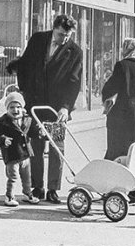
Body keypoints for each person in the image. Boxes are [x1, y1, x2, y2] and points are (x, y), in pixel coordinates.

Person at [7, 14, 83, 204]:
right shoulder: (38, 40)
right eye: (60, 34)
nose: (63, 39)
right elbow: (24, 66)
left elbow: (74, 83)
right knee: (35, 147)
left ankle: (53, 189)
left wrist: (66, 108)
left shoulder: (75, 51)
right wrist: (24, 92)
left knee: (57, 148)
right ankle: (37, 187)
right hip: (34, 104)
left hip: (56, 109)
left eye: (67, 35)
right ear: (53, 28)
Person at [101, 38, 135, 160]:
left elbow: (110, 89)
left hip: (125, 112)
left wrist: (108, 100)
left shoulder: (123, 65)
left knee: (121, 147)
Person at [0, 91, 43, 207]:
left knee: (27, 177)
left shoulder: (27, 120)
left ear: (23, 108)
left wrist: (39, 132)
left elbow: (32, 132)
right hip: (12, 154)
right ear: (7, 109)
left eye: (18, 107)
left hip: (25, 154)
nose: (15, 110)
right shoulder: (2, 122)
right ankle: (9, 196)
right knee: (13, 177)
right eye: (12, 107)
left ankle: (27, 194)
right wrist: (3, 139)